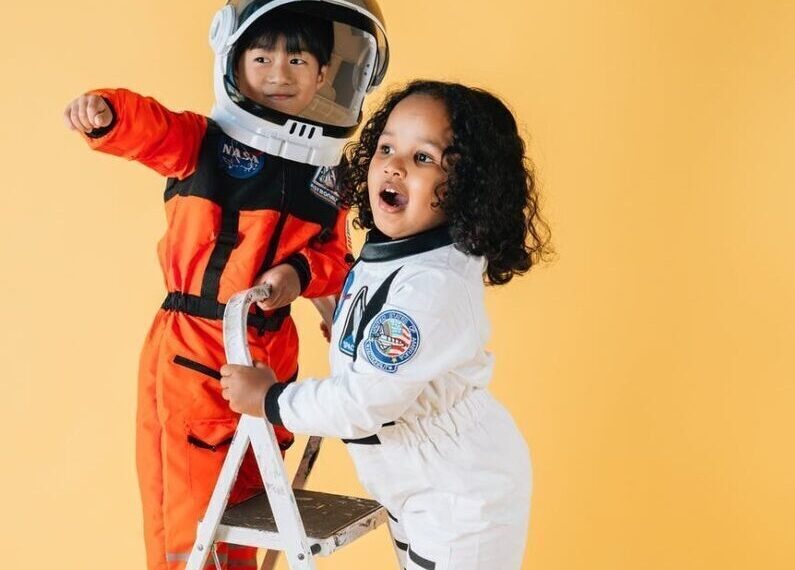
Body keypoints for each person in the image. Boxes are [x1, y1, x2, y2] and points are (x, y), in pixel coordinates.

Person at [62, 1, 389, 568]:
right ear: (233, 62)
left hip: (270, 354)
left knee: (253, 502)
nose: (278, 73)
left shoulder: (327, 175)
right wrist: (106, 112)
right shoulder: (202, 144)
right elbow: (150, 128)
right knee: (189, 510)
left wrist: (298, 276)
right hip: (195, 346)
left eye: (297, 59)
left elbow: (335, 256)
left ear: (324, 73)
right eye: (261, 57)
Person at [220, 80, 552, 570]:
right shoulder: (398, 251)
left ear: (467, 186)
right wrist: (338, 319)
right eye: (387, 147)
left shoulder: (433, 286)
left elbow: (364, 402)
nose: (395, 165)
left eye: (423, 158)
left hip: (460, 490)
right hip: (410, 475)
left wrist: (271, 399)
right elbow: (377, 315)